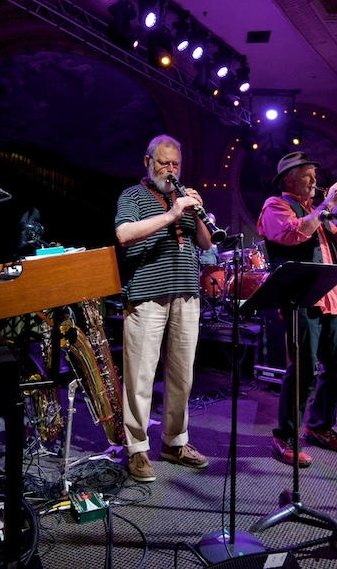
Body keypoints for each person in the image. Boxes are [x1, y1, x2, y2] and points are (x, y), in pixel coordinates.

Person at [114, 135, 212, 482]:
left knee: (182, 377)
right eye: (163, 163)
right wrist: (172, 213)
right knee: (141, 377)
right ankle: (137, 449)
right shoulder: (133, 195)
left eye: (175, 165)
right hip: (147, 295)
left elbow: (205, 242)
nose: (170, 170)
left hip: (186, 293)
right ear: (147, 162)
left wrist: (195, 211)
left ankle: (174, 442)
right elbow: (124, 234)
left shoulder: (183, 197)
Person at [257, 151, 337, 466]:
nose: (315, 180)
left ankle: (320, 427)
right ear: (288, 179)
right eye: (307, 174)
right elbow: (292, 234)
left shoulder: (317, 209)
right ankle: (284, 436)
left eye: (315, 174)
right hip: (301, 298)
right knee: (302, 371)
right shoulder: (275, 205)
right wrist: (328, 205)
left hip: (332, 298)